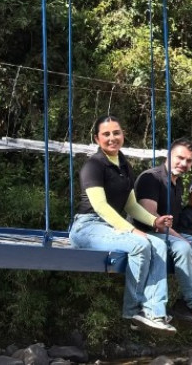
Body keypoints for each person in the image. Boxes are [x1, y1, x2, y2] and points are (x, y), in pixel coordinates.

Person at [69, 115, 176, 334]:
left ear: (122, 135)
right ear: (97, 138)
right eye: (106, 134)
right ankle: (133, 311)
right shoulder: (93, 165)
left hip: (109, 227)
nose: (112, 138)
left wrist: (154, 220)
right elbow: (100, 206)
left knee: (159, 245)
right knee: (140, 244)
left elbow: (131, 205)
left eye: (116, 133)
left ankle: (154, 311)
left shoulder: (124, 164)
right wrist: (132, 230)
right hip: (87, 227)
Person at [134, 138, 192, 339]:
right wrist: (180, 238)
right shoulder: (151, 178)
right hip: (148, 233)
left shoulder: (178, 182)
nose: (184, 164)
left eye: (189, 161)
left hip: (169, 234)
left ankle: (184, 302)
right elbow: (151, 217)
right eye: (180, 158)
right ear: (169, 155)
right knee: (183, 248)